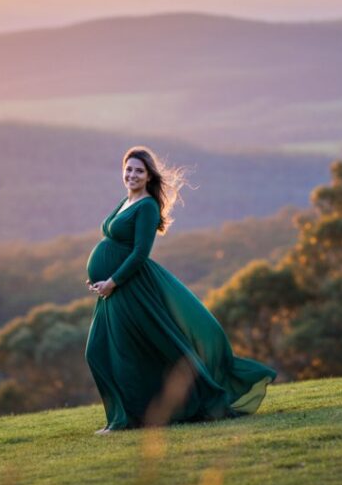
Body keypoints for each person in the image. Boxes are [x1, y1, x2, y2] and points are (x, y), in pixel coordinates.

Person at [85, 146, 277, 433]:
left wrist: (112, 281)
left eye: (139, 170)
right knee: (99, 351)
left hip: (129, 287)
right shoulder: (126, 200)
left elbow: (140, 253)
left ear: (149, 176)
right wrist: (99, 278)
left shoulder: (147, 206)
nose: (132, 174)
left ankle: (125, 421)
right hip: (112, 290)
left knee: (122, 353)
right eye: (129, 169)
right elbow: (113, 243)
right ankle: (127, 417)